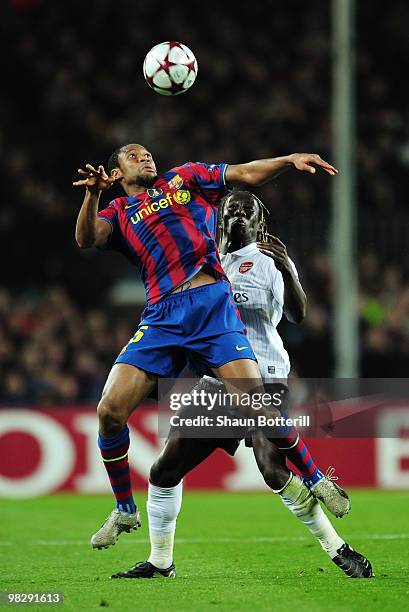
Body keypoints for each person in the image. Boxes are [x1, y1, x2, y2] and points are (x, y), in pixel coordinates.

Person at [73, 144, 338, 552]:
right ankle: (125, 509)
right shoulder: (119, 214)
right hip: (162, 316)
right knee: (109, 413)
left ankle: (318, 479)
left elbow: (246, 173)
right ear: (116, 172)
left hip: (210, 304)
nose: (145, 158)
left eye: (146, 153)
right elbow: (86, 238)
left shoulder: (186, 177)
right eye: (133, 155)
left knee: (257, 405)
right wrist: (93, 195)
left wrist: (286, 161)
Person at [110, 191, 372, 580]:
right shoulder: (202, 262)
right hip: (216, 382)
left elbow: (298, 315)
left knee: (272, 469)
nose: (237, 213)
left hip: (262, 375)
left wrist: (287, 269)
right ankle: (160, 562)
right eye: (231, 208)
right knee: (164, 471)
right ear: (220, 217)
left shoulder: (268, 263)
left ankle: (339, 549)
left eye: (246, 211)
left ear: (258, 223)